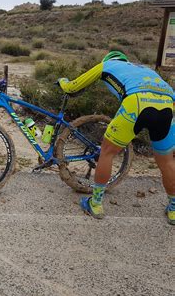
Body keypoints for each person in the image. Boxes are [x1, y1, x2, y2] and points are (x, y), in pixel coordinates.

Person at [58, 51, 174, 225]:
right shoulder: (145, 69)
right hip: (167, 105)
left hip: (136, 102)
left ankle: (95, 204)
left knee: (107, 152)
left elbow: (73, 87)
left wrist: (62, 82)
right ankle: (173, 209)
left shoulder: (107, 65)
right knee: (166, 162)